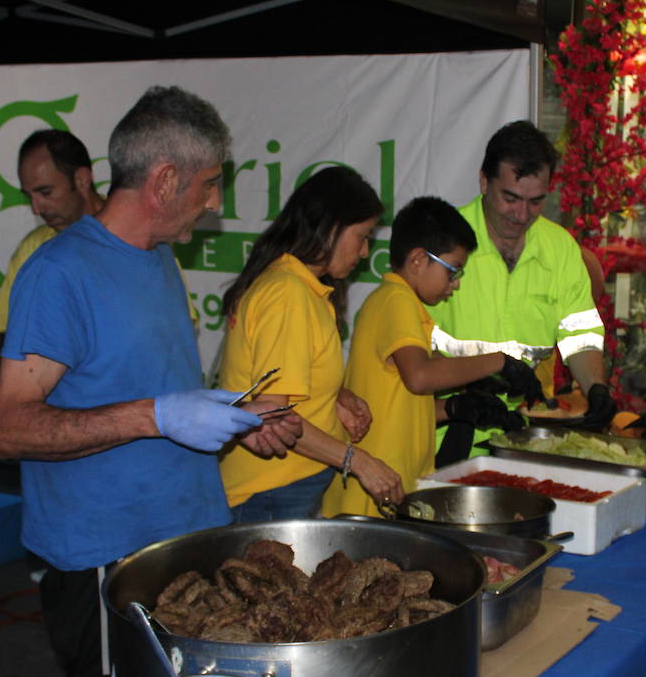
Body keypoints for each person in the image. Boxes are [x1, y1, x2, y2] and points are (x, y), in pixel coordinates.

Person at [0, 86, 301, 677]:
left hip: (180, 539)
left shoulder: (157, 257)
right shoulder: (60, 272)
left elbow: (150, 388)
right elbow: (8, 428)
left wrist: (238, 419)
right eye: (210, 184)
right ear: (164, 180)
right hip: (109, 561)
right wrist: (157, 416)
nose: (215, 200)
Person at [321, 196, 540, 519]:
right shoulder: (396, 300)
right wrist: (499, 362)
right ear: (418, 260)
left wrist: (457, 408)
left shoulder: (399, 303)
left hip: (391, 486)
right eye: (453, 271)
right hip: (370, 493)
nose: (456, 284)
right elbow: (421, 376)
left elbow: (402, 404)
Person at [218, 167, 413, 520]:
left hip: (287, 485)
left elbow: (285, 381)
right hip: (270, 490)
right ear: (330, 228)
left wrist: (335, 397)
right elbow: (272, 417)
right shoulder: (287, 293)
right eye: (362, 236)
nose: (365, 251)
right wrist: (360, 462)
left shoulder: (301, 288)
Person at [426, 120, 614, 461]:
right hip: (444, 435)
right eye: (510, 198)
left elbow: (580, 335)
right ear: (484, 181)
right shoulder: (443, 241)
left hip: (527, 438)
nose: (521, 214)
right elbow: (409, 349)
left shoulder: (560, 248)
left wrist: (595, 387)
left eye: (535, 202)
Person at [0, 130, 105, 333]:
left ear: (82, 180)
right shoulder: (31, 250)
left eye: (45, 192)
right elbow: (7, 337)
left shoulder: (138, 240)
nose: (36, 208)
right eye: (29, 196)